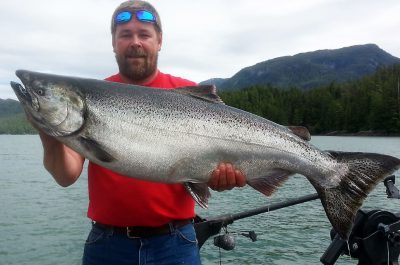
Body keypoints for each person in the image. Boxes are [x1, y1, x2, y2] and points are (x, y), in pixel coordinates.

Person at [34, 1, 246, 264]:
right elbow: (66, 176)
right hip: (107, 245)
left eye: (144, 34)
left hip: (175, 243)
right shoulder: (89, 99)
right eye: (125, 35)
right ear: (113, 42)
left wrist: (219, 177)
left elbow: (210, 167)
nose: (135, 42)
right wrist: (47, 130)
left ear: (159, 41)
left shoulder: (189, 94)